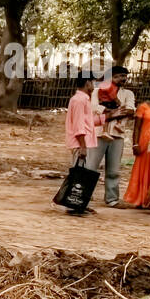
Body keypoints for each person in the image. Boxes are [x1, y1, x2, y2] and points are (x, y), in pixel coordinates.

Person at [88, 65, 135, 208]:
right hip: (99, 133)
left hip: (117, 134)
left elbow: (131, 110)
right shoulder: (97, 91)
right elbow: (95, 109)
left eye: (124, 76)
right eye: (118, 76)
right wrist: (115, 111)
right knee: (91, 167)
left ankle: (112, 199)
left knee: (114, 169)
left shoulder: (128, 94)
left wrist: (112, 111)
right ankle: (84, 195)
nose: (122, 79)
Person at [64, 74, 98, 215]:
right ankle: (74, 204)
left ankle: (80, 203)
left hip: (84, 142)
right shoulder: (79, 100)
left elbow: (87, 122)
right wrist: (83, 146)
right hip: (81, 143)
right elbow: (79, 125)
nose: (94, 85)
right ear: (87, 83)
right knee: (79, 176)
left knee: (82, 175)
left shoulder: (82, 99)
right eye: (92, 82)